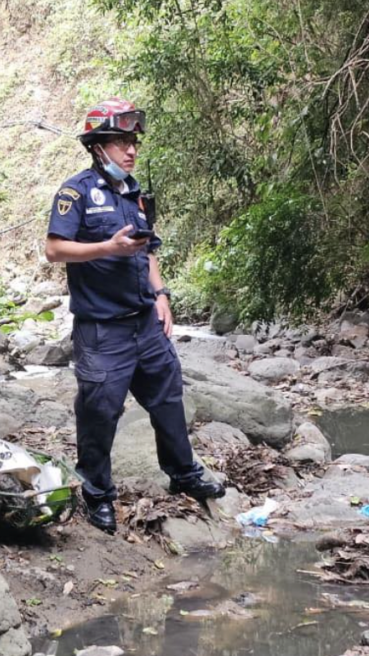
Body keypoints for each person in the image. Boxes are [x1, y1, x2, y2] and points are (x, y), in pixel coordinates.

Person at [44, 98, 225, 535]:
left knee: (167, 395)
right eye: (121, 141)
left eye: (134, 142)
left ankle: (182, 472)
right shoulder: (76, 192)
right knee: (99, 411)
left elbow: (149, 251)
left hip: (144, 320)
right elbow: (54, 250)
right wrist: (106, 248)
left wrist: (160, 294)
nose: (131, 150)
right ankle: (98, 493)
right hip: (101, 328)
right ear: (97, 146)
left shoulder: (136, 193)